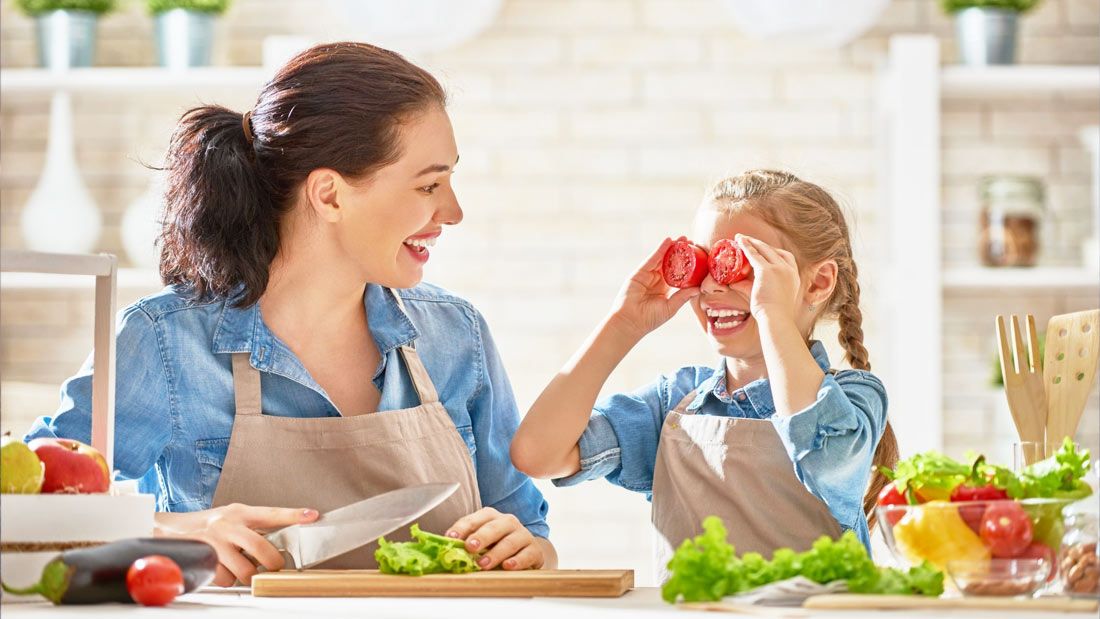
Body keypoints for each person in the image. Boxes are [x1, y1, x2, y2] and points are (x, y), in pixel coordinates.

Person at [25, 42, 555, 585]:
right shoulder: (164, 340)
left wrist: (526, 547)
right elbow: (24, 513)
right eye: (428, 185)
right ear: (329, 195)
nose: (453, 212)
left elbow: (532, 532)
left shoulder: (454, 334)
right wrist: (165, 531)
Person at [511, 169, 896, 581]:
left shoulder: (855, 396)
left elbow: (826, 456)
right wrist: (623, 324)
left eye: (742, 264)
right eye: (703, 265)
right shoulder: (674, 403)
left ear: (817, 283)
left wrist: (773, 314)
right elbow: (537, 454)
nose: (712, 286)